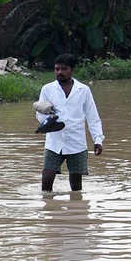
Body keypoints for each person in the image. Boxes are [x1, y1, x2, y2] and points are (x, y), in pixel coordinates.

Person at [36, 53, 104, 192]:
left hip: (76, 142)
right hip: (54, 142)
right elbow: (40, 112)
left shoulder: (83, 90)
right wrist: (48, 122)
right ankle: (49, 209)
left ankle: (76, 210)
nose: (59, 72)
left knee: (76, 185)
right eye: (57, 69)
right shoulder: (47, 89)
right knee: (47, 179)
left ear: (73, 70)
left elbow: (92, 116)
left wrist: (98, 139)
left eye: (64, 69)